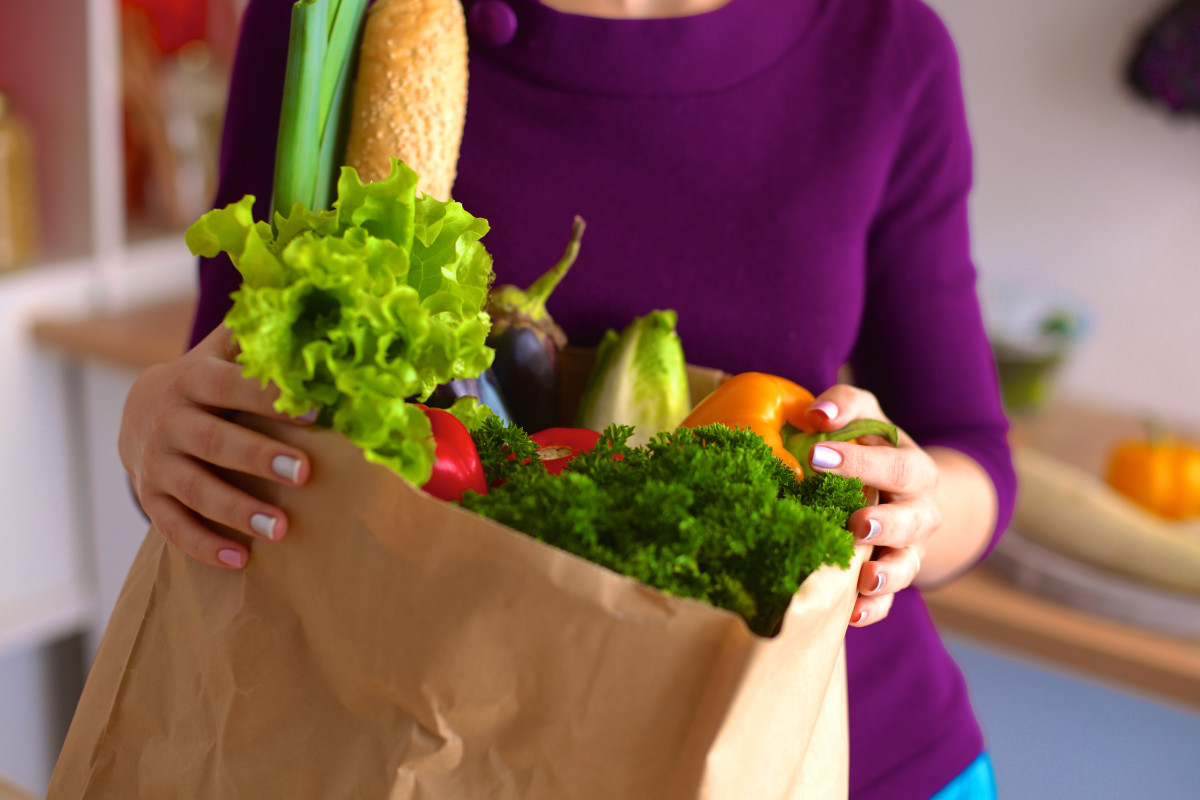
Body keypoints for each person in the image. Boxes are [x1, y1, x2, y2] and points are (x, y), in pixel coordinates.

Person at [118, 0, 1017, 797]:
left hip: (825, 750)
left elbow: (973, 454)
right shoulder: (341, 19)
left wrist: (908, 507)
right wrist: (155, 427)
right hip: (453, 744)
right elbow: (240, 402)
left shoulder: (886, 47)